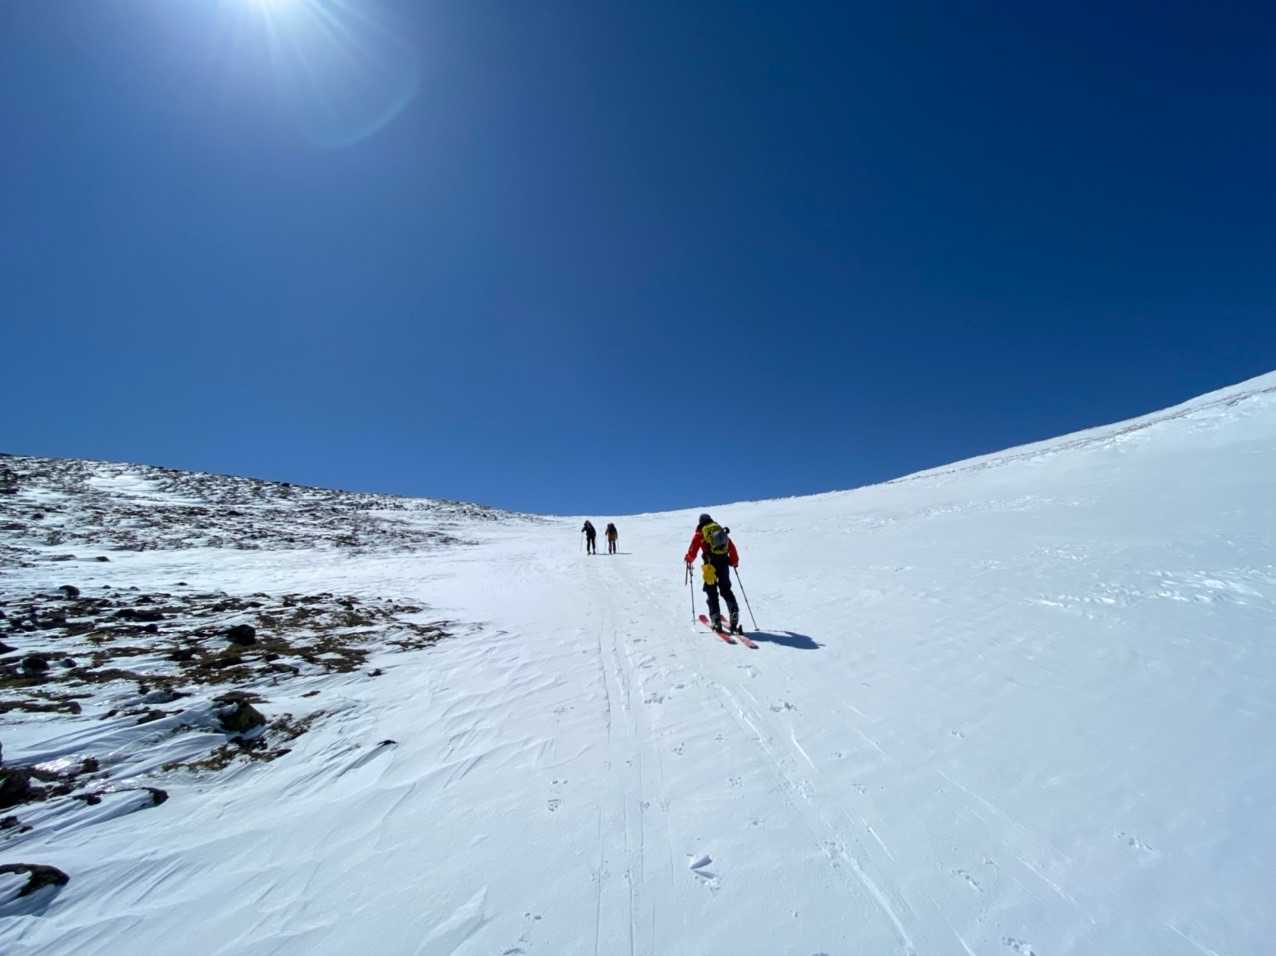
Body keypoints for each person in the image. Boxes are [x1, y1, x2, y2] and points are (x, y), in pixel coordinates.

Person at [683, 513, 741, 632]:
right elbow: (731, 547)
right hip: (724, 564)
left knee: (711, 592)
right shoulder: (720, 531)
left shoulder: (701, 533)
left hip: (709, 566)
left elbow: (693, 549)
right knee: (726, 590)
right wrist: (734, 562)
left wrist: (689, 559)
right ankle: (733, 612)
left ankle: (716, 620)